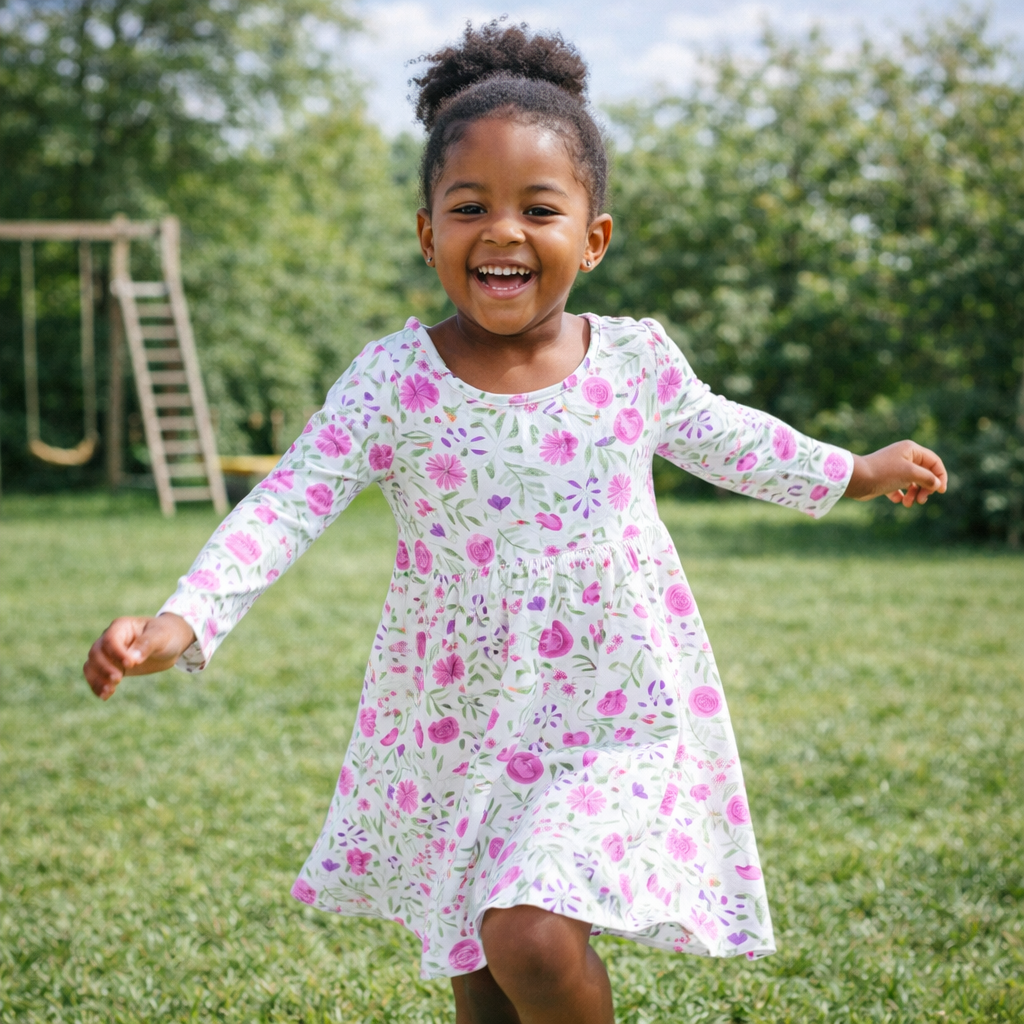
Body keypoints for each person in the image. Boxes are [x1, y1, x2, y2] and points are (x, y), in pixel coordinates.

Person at [83, 21, 947, 1024]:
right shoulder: (391, 381)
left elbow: (728, 437)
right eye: (468, 207)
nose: (501, 230)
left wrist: (852, 472)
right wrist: (181, 621)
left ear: (592, 236)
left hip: (611, 707)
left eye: (537, 207)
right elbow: (286, 502)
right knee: (482, 975)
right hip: (454, 718)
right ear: (426, 233)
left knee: (529, 934)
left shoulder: (631, 362)